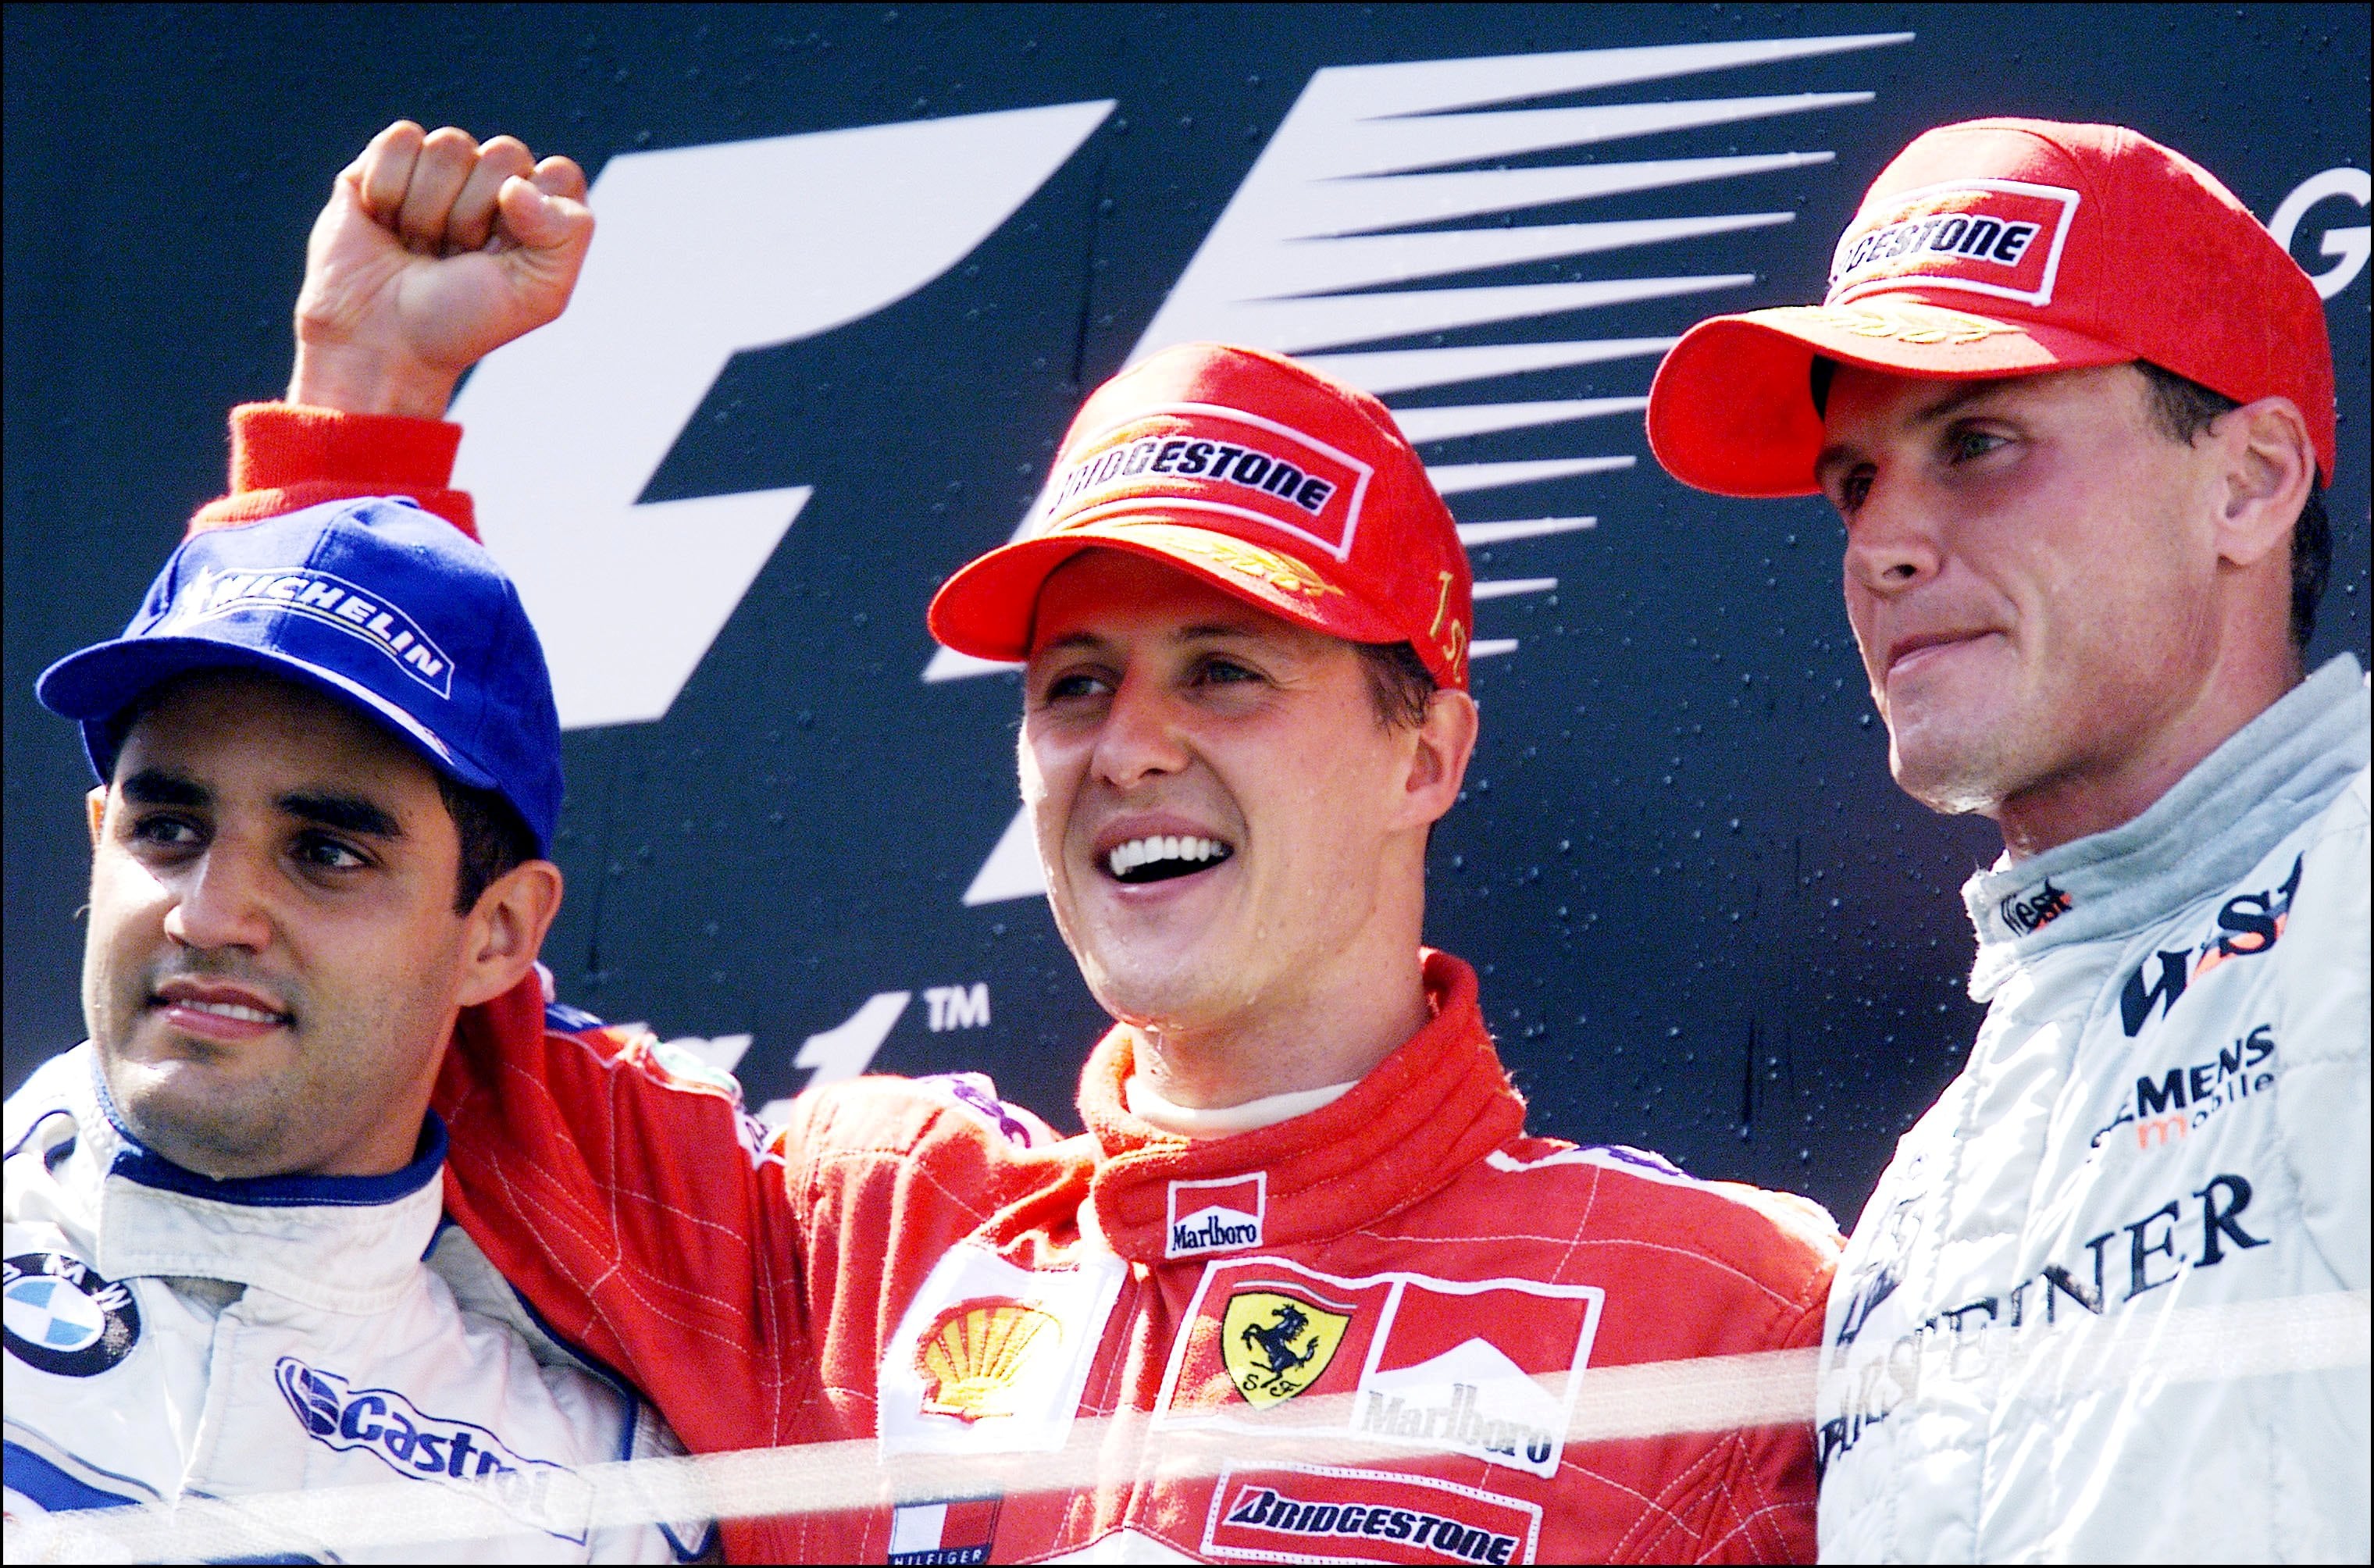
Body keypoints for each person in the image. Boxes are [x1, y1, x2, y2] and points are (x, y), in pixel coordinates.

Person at [187, 120, 1847, 1563]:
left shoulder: (1712, 1300)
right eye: (1073, 684)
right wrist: (364, 406)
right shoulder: (856, 1228)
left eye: (1223, 671)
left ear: (1426, 746)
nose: (1128, 743)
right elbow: (383, 1002)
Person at [1645, 117, 2370, 1562]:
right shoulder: (1930, 1187)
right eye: (1855, 484)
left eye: (1977, 443)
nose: (1882, 544)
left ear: (2247, 483)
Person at [2, 132, 711, 1563]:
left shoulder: (599, 1512)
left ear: (498, 936)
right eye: (168, 826)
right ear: (96, 840)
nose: (212, 911)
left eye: (327, 856)